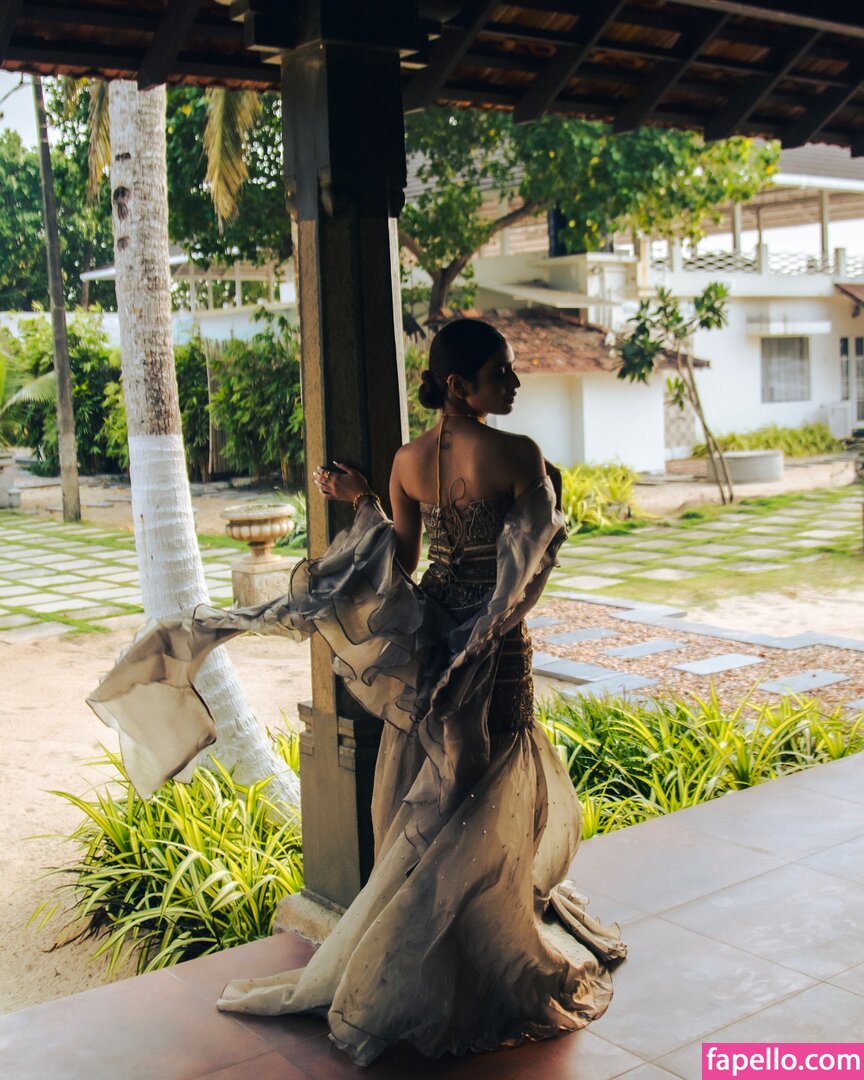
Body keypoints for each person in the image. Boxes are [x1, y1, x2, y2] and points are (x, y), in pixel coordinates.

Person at [88, 318, 624, 1067]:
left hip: (433, 639)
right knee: (494, 785)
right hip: (494, 646)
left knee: (445, 798)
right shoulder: (519, 454)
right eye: (501, 371)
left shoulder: (408, 461)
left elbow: (398, 558)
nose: (514, 381)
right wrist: (541, 517)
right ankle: (475, 950)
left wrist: (366, 500)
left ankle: (437, 952)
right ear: (460, 384)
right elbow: (530, 563)